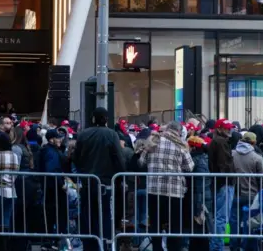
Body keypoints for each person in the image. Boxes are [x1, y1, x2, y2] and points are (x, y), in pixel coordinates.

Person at [73, 107, 126, 251]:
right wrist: (121, 177)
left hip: (88, 182)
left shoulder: (83, 134)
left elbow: (76, 158)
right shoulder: (111, 134)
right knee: (105, 216)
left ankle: (89, 246)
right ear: (106, 119)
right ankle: (106, 244)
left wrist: (82, 171)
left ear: (93, 119)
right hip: (105, 183)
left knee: (88, 216)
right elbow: (118, 159)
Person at [139, 120, 194, 251]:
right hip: (174, 191)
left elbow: (142, 161)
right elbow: (190, 167)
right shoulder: (180, 145)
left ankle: (157, 248)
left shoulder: (153, 141)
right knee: (175, 225)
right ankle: (173, 248)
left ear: (167, 128)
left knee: (155, 223)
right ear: (179, 132)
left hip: (154, 189)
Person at [230, 131, 263, 249]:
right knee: (248, 223)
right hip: (252, 195)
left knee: (234, 222)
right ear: (254, 142)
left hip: (234, 194)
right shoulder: (257, 157)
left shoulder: (232, 154)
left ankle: (234, 246)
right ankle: (245, 247)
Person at [208, 118, 236, 251]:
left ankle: (216, 245)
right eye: (226, 127)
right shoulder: (221, 142)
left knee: (220, 217)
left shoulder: (218, 141)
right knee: (221, 218)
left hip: (221, 183)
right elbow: (224, 164)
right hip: (224, 183)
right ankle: (216, 247)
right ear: (219, 129)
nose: (229, 129)